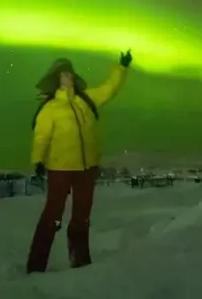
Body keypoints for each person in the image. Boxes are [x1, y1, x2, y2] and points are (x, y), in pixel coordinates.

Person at [26, 50, 132, 273]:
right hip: (60, 168)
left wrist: (121, 68)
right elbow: (41, 136)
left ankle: (81, 262)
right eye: (64, 74)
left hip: (87, 167)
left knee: (82, 216)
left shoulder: (86, 99)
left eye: (70, 73)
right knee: (52, 216)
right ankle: (36, 267)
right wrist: (38, 160)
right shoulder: (50, 108)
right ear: (57, 78)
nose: (69, 77)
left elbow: (109, 89)